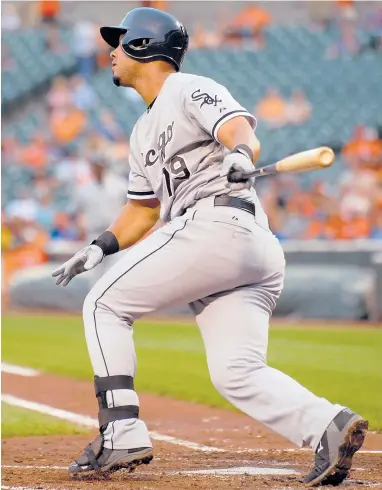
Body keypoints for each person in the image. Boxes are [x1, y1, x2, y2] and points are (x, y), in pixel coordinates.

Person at [52, 7, 368, 485]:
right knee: (235, 371)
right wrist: (100, 246)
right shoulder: (141, 131)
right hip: (243, 244)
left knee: (102, 303)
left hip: (218, 225)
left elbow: (240, 129)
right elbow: (142, 210)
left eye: (119, 42)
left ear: (143, 45)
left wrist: (240, 153)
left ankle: (121, 432)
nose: (111, 52)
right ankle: (326, 425)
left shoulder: (185, 87)